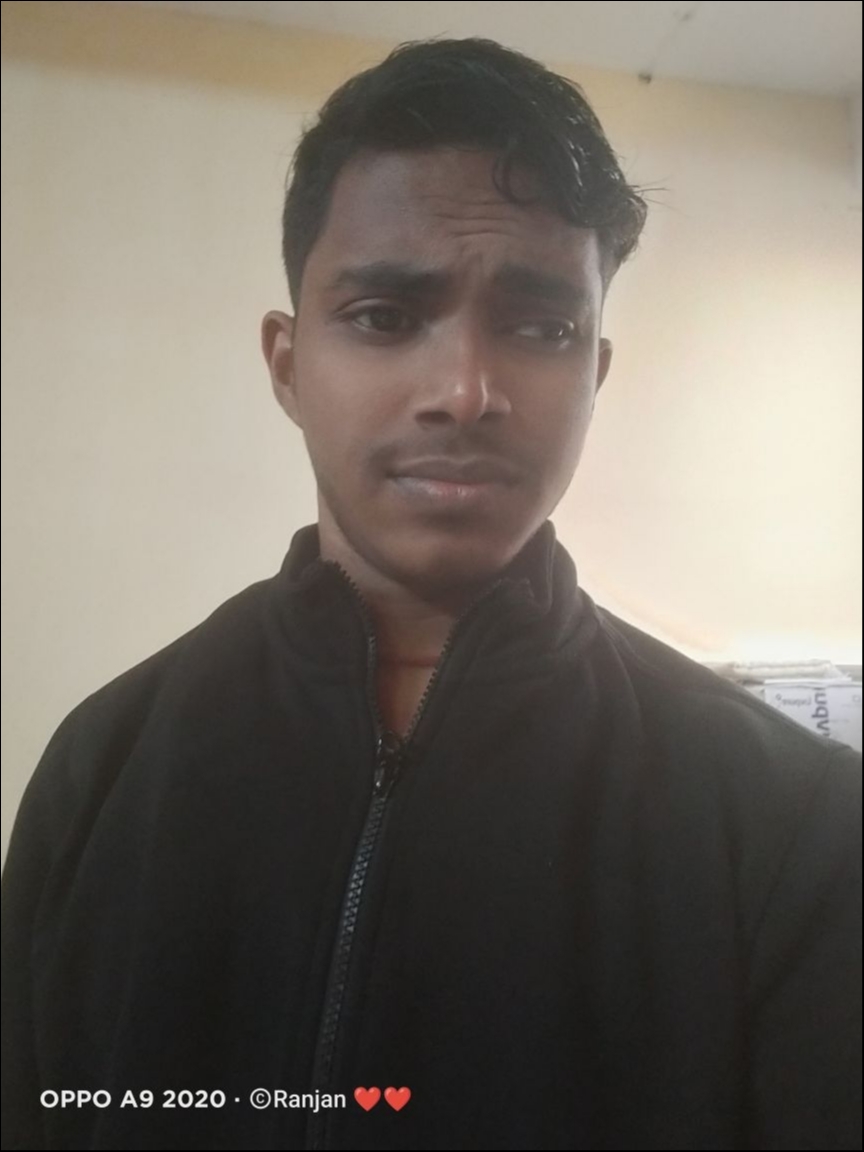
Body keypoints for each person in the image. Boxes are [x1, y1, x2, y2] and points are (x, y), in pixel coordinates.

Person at [1, 36, 860, 1152]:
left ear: (594, 374)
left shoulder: (789, 825)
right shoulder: (104, 768)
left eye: (542, 327)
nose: (466, 391)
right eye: (384, 315)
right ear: (286, 364)